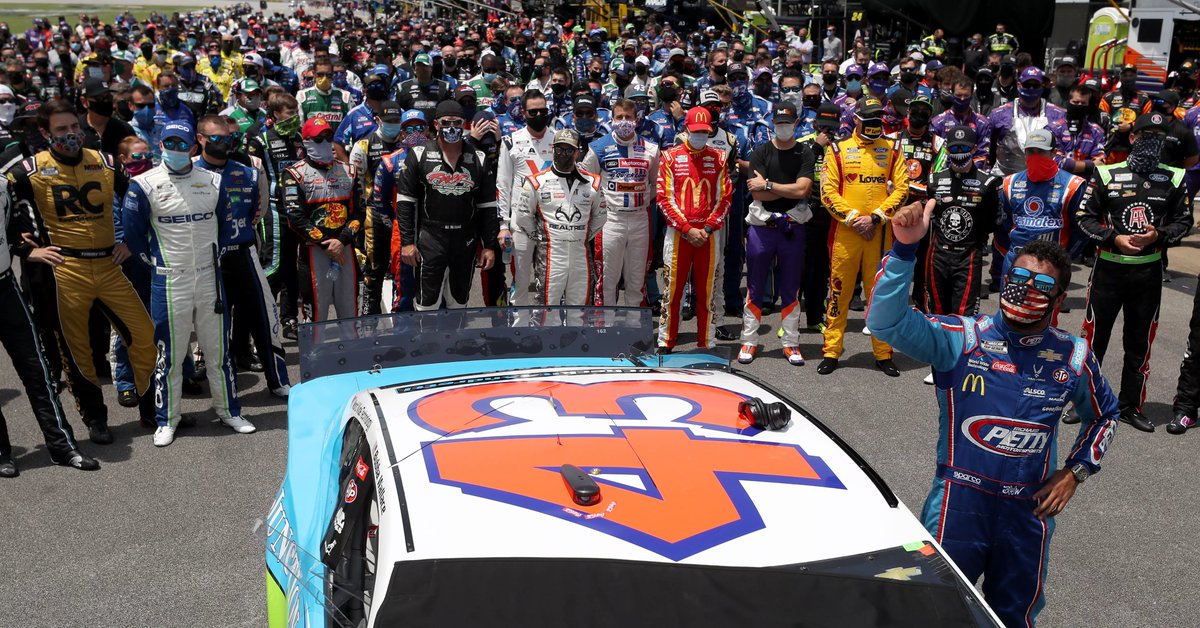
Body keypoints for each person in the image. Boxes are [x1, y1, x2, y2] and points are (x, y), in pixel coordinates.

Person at [868, 203, 1119, 628]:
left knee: (1013, 617)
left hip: (1028, 511)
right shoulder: (961, 338)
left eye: (1042, 286)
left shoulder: (1073, 355)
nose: (1026, 290)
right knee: (938, 611)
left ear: (1059, 299)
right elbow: (885, 324)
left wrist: (1076, 471)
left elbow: (1106, 415)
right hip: (957, 501)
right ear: (1003, 281)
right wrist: (904, 251)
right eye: (1018, 279)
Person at [9, 100, 157, 442]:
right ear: (46, 133)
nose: (71, 134)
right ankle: (95, 419)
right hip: (66, 269)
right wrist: (26, 248)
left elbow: (137, 201)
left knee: (145, 336)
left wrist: (132, 242)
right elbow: (5, 206)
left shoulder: (104, 162)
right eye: (62, 130)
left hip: (108, 263)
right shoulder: (28, 170)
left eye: (74, 127)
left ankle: (151, 411)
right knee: (78, 351)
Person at [122, 120, 253, 447]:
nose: (177, 150)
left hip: (209, 277)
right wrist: (155, 266)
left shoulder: (213, 180)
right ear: (160, 145)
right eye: (170, 143)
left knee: (218, 351)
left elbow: (225, 226)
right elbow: (134, 238)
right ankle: (168, 419)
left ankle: (229, 410)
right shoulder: (143, 184)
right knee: (169, 355)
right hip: (168, 281)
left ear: (193, 147)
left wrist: (215, 259)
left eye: (182, 144)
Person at [1076, 113, 1194, 433]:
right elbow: (1083, 218)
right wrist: (1113, 238)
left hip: (1148, 273)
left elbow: (1184, 222)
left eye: (1160, 136)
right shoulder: (1105, 173)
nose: (1153, 141)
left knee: (1139, 344)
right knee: (1093, 338)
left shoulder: (1174, 177)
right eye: (1147, 135)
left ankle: (1130, 405)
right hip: (1108, 270)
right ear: (1132, 138)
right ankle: (1086, 400)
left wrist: (1159, 236)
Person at [0, 173, 99, 476]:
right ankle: (2, 452)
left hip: (4, 289)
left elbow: (12, 228)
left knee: (38, 369)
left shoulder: (3, 184)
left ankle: (62, 445)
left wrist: (24, 246)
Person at [193, 115, 289, 397]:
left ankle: (278, 380)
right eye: (217, 139)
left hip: (244, 253)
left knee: (264, 315)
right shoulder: (191, 175)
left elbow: (254, 213)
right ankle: (227, 393)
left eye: (229, 139)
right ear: (200, 139)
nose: (225, 144)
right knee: (216, 327)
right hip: (210, 260)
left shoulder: (247, 171)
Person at [818, 97, 908, 376]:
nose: (874, 122)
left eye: (878, 117)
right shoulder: (837, 150)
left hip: (880, 232)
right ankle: (832, 351)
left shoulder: (893, 149)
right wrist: (855, 219)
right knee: (838, 292)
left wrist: (877, 217)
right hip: (846, 232)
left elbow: (902, 188)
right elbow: (827, 192)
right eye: (868, 117)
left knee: (879, 295)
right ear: (855, 119)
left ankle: (883, 353)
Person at [396, 100, 498, 310]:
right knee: (427, 302)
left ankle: (456, 343)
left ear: (465, 124)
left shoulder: (478, 157)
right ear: (436, 124)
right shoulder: (419, 154)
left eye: (457, 123)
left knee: (459, 301)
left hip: (465, 239)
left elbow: (487, 207)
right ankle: (428, 343)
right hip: (431, 238)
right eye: (446, 123)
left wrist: (488, 245)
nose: (452, 128)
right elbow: (405, 203)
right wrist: (407, 242)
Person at [737, 102, 814, 366]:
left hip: (793, 226)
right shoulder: (761, 152)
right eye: (779, 122)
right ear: (773, 123)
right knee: (755, 286)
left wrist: (770, 184)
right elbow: (756, 193)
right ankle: (749, 340)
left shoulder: (805, 152)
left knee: (791, 287)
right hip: (762, 228)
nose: (783, 127)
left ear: (796, 123)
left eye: (787, 122)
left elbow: (804, 190)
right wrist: (787, 188)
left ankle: (791, 343)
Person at [656, 106, 733, 351]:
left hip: (709, 235)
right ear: (686, 129)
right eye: (696, 131)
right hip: (679, 234)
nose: (700, 135)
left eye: (704, 131)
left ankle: (706, 342)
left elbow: (725, 199)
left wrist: (708, 228)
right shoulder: (669, 157)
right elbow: (663, 198)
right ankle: (666, 341)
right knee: (672, 291)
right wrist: (687, 228)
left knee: (707, 291)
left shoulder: (719, 158)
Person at [283, 117, 363, 321]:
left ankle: (350, 350)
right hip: (314, 251)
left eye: (328, 138)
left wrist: (341, 240)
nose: (325, 143)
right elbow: (295, 218)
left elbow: (359, 213)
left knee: (349, 311)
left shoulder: (349, 171)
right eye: (319, 139)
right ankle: (315, 353)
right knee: (316, 314)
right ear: (306, 142)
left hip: (344, 249)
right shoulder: (294, 174)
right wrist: (326, 243)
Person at [515, 129, 605, 309]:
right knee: (546, 309)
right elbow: (523, 216)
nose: (564, 154)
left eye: (569, 150)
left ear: (577, 152)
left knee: (580, 311)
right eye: (560, 149)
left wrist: (583, 236)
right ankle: (545, 338)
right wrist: (541, 237)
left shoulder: (593, 182)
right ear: (553, 149)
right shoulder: (536, 181)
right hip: (550, 255)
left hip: (580, 255)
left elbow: (601, 217)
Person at [583, 98, 661, 306]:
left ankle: (634, 328)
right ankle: (605, 327)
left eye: (628, 117)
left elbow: (656, 184)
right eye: (619, 117)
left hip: (640, 219)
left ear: (636, 119)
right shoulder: (597, 147)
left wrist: (642, 198)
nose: (624, 121)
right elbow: (586, 183)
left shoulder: (651, 149)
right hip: (610, 220)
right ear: (612, 119)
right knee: (607, 278)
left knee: (637, 279)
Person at [247, 92, 303, 338]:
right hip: (273, 210)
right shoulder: (260, 140)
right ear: (275, 114)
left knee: (293, 267)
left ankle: (289, 320)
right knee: (274, 265)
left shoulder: (299, 138)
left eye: (296, 113)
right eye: (290, 114)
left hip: (298, 210)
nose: (294, 118)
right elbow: (251, 176)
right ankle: (260, 319)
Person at [997, 128, 1087, 278]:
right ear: (1024, 152)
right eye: (1031, 151)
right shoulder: (1009, 183)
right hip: (1016, 260)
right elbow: (1002, 227)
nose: (1035, 156)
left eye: (1041, 151)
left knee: (1044, 302)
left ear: (1053, 153)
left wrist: (1064, 259)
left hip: (1051, 264)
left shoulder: (1073, 185)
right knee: (1009, 302)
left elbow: (1080, 230)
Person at [496, 90, 555, 307]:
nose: (539, 115)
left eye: (543, 111)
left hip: (551, 223)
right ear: (523, 113)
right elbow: (502, 185)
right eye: (533, 111)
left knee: (550, 283)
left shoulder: (559, 139)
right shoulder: (511, 141)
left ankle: (548, 328)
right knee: (520, 283)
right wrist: (503, 225)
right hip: (520, 224)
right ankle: (518, 332)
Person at [350, 101, 406, 315]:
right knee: (375, 264)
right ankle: (369, 310)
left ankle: (399, 308)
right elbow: (356, 183)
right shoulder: (363, 144)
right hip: (375, 212)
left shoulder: (407, 142)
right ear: (378, 121)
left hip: (404, 213)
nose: (393, 125)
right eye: (388, 121)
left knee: (401, 264)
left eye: (396, 121)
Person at [798, 103, 839, 333]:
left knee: (822, 269)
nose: (827, 131)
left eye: (831, 127)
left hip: (830, 215)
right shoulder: (804, 143)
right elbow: (796, 172)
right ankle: (792, 319)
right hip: (806, 212)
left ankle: (815, 316)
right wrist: (816, 146)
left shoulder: (842, 146)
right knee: (801, 268)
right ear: (815, 124)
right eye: (823, 126)